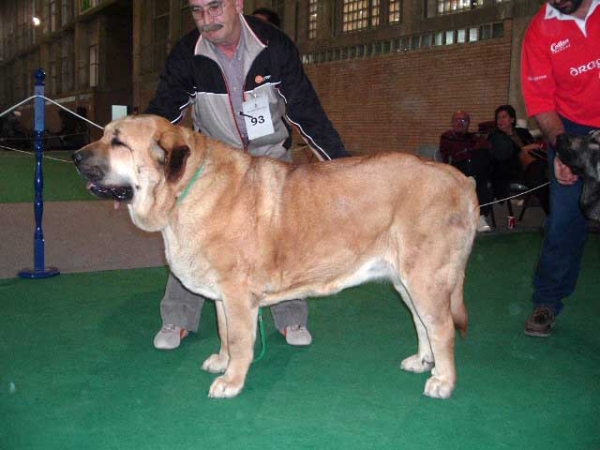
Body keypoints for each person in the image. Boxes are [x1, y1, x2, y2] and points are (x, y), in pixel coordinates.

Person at [145, 0, 350, 350]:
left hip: (270, 155)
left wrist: (345, 173)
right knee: (189, 232)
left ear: (238, 4)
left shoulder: (274, 46)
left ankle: (291, 316)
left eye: (214, 8)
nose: (207, 20)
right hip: (214, 161)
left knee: (284, 234)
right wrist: (141, 169)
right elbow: (160, 118)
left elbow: (307, 113)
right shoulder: (186, 54)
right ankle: (178, 317)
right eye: (197, 12)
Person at [521, 0, 600, 337]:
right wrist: (564, 150)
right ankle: (547, 301)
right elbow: (541, 102)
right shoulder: (539, 31)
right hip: (571, 129)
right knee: (564, 223)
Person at [487, 104, 549, 214]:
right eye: (498, 118)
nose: (500, 120)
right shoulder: (495, 136)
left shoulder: (522, 132)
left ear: (512, 119)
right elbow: (504, 155)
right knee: (541, 177)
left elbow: (534, 147)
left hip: (532, 167)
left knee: (543, 177)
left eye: (504, 117)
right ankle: (553, 214)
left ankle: (554, 213)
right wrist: (524, 149)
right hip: (510, 170)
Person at [439, 110, 494, 232]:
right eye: (457, 120)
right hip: (454, 170)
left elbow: (487, 146)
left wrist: (475, 148)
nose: (460, 123)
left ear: (468, 123)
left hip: (474, 168)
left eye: (463, 120)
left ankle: (480, 215)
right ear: (452, 123)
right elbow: (456, 154)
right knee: (478, 171)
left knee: (482, 169)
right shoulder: (447, 137)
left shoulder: (472, 137)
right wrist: (473, 149)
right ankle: (476, 215)